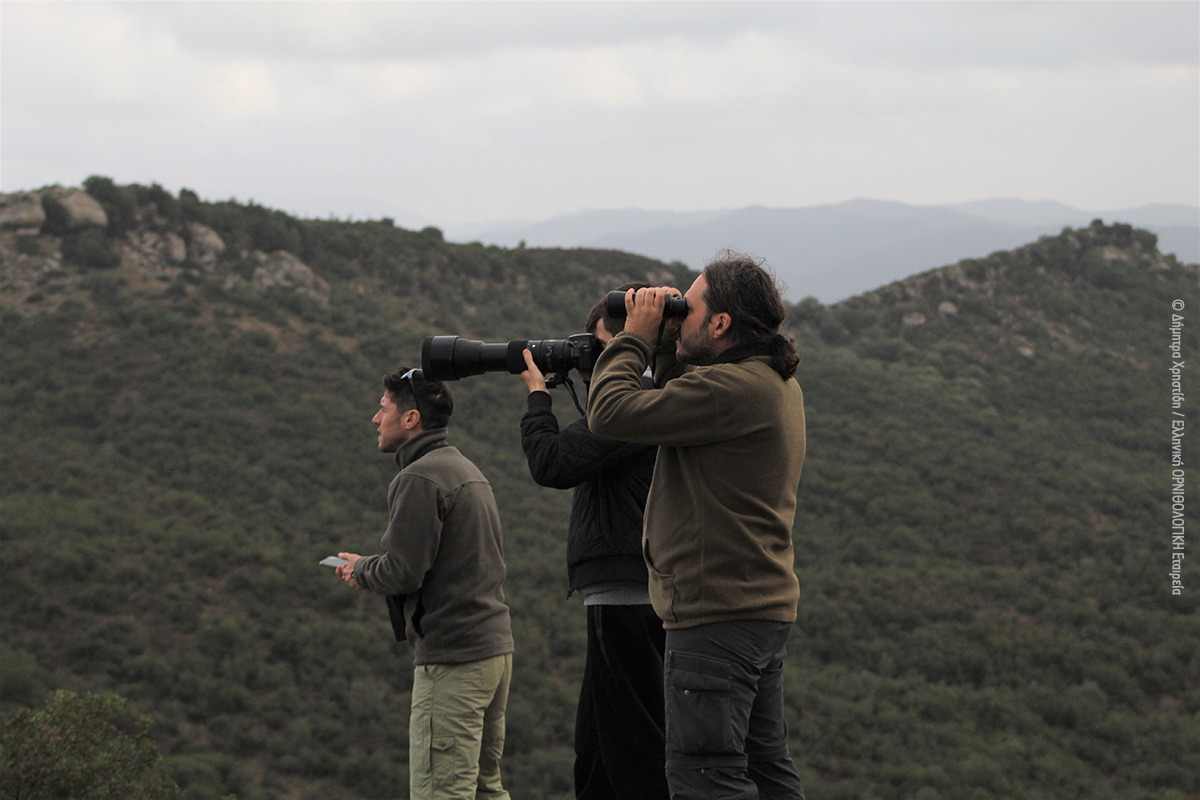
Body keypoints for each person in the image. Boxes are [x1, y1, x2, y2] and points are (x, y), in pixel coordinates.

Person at [587, 253, 807, 800]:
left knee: (704, 775)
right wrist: (667, 343)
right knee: (763, 769)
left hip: (715, 618)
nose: (678, 313)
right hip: (756, 609)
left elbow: (610, 413)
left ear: (720, 324)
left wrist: (631, 338)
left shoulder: (731, 390)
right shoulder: (768, 382)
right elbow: (680, 401)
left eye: (689, 306)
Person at [515, 284, 670, 800]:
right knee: (598, 749)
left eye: (600, 348)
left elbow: (551, 463)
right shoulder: (638, 402)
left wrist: (539, 396)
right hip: (620, 590)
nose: (592, 358)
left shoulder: (634, 406)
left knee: (631, 748)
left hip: (627, 594)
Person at [335, 367, 514, 800]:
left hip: (454, 658)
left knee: (441, 792)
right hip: (493, 652)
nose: (376, 419)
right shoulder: (465, 469)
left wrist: (361, 570)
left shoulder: (418, 478)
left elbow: (403, 571)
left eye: (383, 409)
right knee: (486, 789)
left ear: (411, 418)